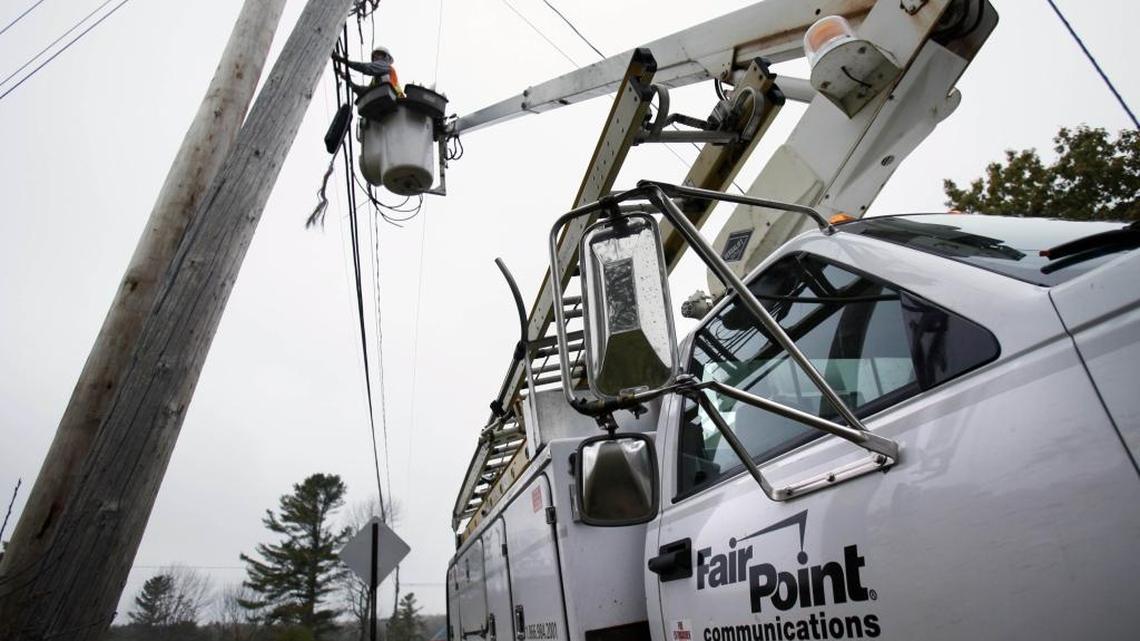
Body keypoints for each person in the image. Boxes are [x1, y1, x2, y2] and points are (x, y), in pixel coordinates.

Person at [332, 46, 402, 97]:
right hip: (387, 102)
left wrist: (341, 59)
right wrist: (348, 80)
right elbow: (365, 91)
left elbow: (364, 67)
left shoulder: (385, 66)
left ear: (386, 57)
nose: (375, 57)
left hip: (396, 100)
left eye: (378, 54)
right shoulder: (377, 79)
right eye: (374, 56)